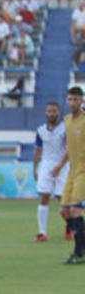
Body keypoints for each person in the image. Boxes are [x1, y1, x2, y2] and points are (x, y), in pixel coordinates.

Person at [53, 86, 85, 264]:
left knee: (75, 209)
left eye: (75, 99)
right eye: (70, 99)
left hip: (84, 171)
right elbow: (69, 147)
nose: (72, 102)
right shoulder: (66, 120)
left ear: (82, 101)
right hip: (72, 170)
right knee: (63, 211)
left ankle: (79, 253)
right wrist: (59, 165)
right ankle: (82, 245)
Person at [33, 102, 69, 242]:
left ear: (58, 113)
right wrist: (34, 168)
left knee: (63, 199)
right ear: (46, 113)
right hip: (46, 165)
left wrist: (60, 166)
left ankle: (69, 225)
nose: (51, 113)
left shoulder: (65, 128)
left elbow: (69, 149)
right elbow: (37, 150)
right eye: (49, 111)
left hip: (63, 165)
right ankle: (42, 232)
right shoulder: (41, 130)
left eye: (54, 111)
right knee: (44, 196)